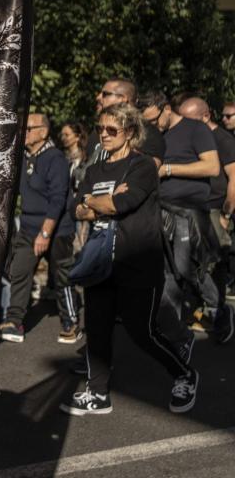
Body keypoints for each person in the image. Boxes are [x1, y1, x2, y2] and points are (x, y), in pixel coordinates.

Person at [63, 103, 198, 415]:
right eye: (101, 129)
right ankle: (97, 393)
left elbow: (122, 203)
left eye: (113, 130)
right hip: (100, 260)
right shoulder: (95, 169)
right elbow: (76, 208)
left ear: (130, 133)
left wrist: (95, 202)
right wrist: (98, 202)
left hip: (136, 259)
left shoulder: (142, 167)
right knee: (97, 329)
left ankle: (184, 374)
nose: (105, 135)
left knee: (142, 331)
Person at [0, 113, 81, 344]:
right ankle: (14, 321)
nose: (23, 132)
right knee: (20, 270)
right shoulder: (24, 157)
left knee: (62, 275)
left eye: (28, 128)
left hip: (56, 229)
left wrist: (45, 233)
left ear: (43, 132)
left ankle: (70, 321)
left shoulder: (55, 158)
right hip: (28, 226)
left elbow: (58, 199)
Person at [157, 92, 221, 362]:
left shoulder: (197, 130)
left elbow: (214, 168)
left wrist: (168, 169)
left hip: (190, 211)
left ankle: (218, 307)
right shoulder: (158, 135)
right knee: (169, 272)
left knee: (186, 268)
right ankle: (176, 332)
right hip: (162, 211)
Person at [178, 96, 235, 342]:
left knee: (213, 263)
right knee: (192, 263)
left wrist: (225, 214)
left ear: (205, 116)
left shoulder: (222, 139)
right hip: (192, 208)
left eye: (188, 120)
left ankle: (219, 313)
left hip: (214, 209)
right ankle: (208, 309)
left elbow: (234, 178)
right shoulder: (191, 137)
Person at [89, 79, 164, 165]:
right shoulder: (97, 132)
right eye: (100, 129)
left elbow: (150, 169)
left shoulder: (147, 132)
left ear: (122, 99)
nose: (98, 97)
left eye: (105, 94)